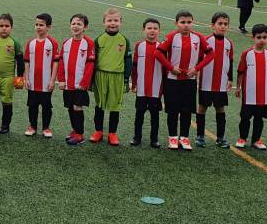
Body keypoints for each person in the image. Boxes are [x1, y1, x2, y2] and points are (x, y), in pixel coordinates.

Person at [158, 10, 216, 151]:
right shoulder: (171, 37)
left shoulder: (198, 37)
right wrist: (171, 67)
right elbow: (158, 53)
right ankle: (172, 137)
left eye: (189, 22)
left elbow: (211, 54)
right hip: (172, 80)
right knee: (173, 111)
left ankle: (184, 137)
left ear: (192, 23)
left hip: (190, 80)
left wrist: (196, 69)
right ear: (176, 23)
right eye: (182, 22)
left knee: (187, 111)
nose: (186, 25)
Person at [130, 18, 174, 148]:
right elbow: (134, 66)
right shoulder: (139, 46)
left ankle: (154, 139)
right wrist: (134, 83)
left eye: (155, 28)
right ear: (143, 30)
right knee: (139, 115)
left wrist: (165, 88)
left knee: (155, 116)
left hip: (156, 88)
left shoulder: (162, 47)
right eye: (149, 28)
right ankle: (137, 137)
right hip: (142, 88)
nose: (152, 31)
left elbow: (166, 69)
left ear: (159, 31)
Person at [90, 8, 132, 146]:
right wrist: (91, 79)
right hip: (101, 75)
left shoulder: (124, 40)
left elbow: (128, 61)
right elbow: (93, 60)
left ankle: (112, 133)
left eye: (115, 20)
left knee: (115, 106)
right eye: (109, 20)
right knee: (100, 105)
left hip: (117, 76)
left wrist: (126, 79)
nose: (112, 23)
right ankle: (98, 131)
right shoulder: (99, 39)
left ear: (121, 22)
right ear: (104, 22)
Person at [195, 11, 234, 148]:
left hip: (221, 83)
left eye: (225, 24)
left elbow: (230, 61)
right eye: (220, 23)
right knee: (202, 108)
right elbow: (199, 59)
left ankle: (220, 137)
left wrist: (230, 79)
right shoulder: (206, 41)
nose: (223, 26)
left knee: (220, 108)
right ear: (213, 25)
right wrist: (196, 74)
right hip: (206, 81)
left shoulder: (229, 43)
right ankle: (200, 136)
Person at [234, 24, 267, 150]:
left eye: (264, 37)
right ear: (253, 38)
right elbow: (241, 72)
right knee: (245, 117)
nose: (262, 40)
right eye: (259, 37)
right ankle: (242, 138)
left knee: (259, 118)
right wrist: (238, 87)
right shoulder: (247, 54)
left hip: (263, 94)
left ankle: (256, 140)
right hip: (249, 93)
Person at [59, 13, 96, 146]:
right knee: (70, 107)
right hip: (68, 83)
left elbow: (90, 65)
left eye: (79, 24)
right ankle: (75, 130)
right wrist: (61, 79)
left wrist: (84, 82)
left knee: (77, 107)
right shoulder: (66, 43)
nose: (75, 26)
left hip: (80, 84)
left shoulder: (89, 43)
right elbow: (61, 62)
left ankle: (80, 134)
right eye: (73, 24)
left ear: (85, 27)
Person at [23, 13, 60, 138]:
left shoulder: (52, 43)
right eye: (36, 24)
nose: (38, 27)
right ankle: (32, 126)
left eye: (41, 25)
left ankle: (46, 127)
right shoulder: (30, 43)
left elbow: (56, 63)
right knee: (32, 105)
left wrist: (52, 80)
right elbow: (27, 62)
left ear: (48, 27)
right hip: (32, 81)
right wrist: (26, 79)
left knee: (46, 106)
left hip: (46, 82)